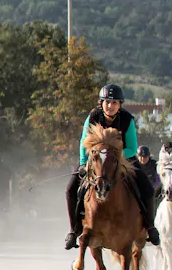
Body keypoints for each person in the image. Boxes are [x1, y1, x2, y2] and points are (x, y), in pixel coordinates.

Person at [64, 84, 160, 250]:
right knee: (71, 189)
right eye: (107, 102)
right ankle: (73, 231)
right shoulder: (93, 116)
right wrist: (82, 162)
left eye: (114, 102)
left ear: (120, 105)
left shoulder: (127, 119)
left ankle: (150, 227)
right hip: (94, 159)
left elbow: (131, 147)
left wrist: (114, 157)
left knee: (148, 189)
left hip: (123, 158)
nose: (110, 106)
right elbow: (83, 142)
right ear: (101, 103)